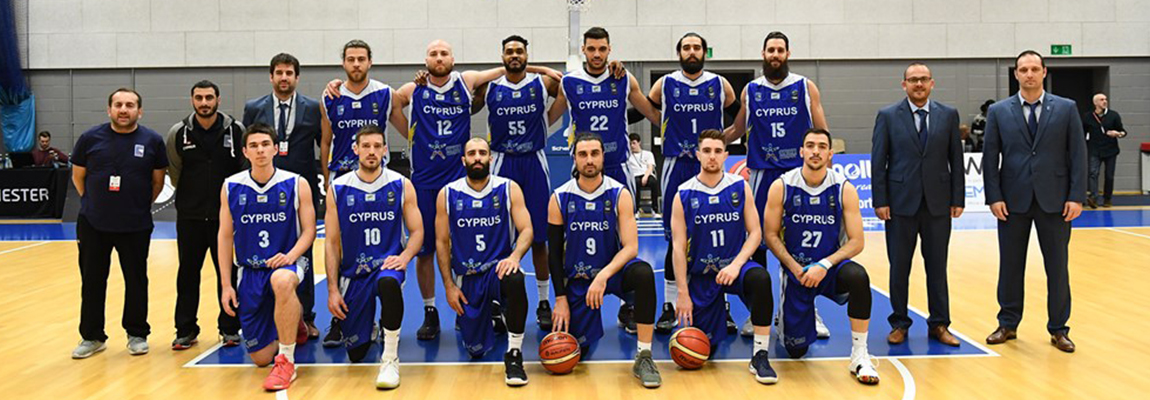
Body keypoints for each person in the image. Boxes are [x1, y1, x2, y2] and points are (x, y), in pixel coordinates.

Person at [325, 40, 557, 341]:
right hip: (424, 179)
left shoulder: (466, 81)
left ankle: (474, 301)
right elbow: (381, 98)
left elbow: (507, 69)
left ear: (452, 58)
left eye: (444, 53)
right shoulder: (412, 90)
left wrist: (537, 67)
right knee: (425, 251)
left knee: (465, 246)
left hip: (458, 180)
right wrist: (338, 85)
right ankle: (430, 310)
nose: (439, 58)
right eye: (433, 54)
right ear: (425, 61)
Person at [726, 31, 831, 339]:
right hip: (762, 175)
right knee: (757, 244)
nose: (775, 55)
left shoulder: (805, 87)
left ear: (788, 53)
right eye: (770, 50)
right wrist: (711, 142)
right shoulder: (751, 90)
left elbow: (822, 131)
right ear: (763, 54)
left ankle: (808, 310)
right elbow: (738, 128)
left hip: (797, 175)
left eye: (780, 50)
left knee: (801, 243)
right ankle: (757, 312)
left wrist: (826, 169)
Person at [982, 50, 1086, 353]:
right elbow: (990, 157)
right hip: (1012, 202)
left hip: (1055, 201)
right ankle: (1007, 323)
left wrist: (1076, 196)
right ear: (1016, 74)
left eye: (1034, 69)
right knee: (1010, 266)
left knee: (1057, 267)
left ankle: (1059, 328)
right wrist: (994, 197)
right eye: (1023, 69)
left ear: (1044, 72)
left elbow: (1078, 154)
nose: (1029, 74)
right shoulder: (999, 111)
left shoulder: (1066, 108)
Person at [764, 128, 879, 384]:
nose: (815, 151)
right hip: (796, 272)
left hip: (830, 268)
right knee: (795, 351)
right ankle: (791, 318)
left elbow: (857, 241)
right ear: (801, 151)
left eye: (822, 147)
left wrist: (824, 264)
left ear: (830, 153)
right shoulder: (782, 186)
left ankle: (860, 354)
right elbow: (770, 235)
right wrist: (794, 267)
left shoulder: (843, 188)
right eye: (810, 146)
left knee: (858, 277)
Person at [548, 133, 661, 388]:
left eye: (594, 154)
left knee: (643, 273)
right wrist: (560, 299)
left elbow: (631, 248)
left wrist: (603, 275)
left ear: (602, 156)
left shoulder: (619, 193)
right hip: (579, 280)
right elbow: (553, 255)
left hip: (612, 273)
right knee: (577, 351)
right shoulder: (559, 197)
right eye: (583, 154)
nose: (589, 160)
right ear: (574, 159)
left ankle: (644, 355)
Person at [646, 33, 739, 334]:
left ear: (704, 52)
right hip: (677, 163)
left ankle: (722, 306)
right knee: (675, 239)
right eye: (686, 47)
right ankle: (670, 305)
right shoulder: (665, 84)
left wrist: (723, 142)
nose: (691, 51)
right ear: (679, 53)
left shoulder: (720, 84)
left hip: (710, 164)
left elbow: (743, 117)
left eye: (696, 47)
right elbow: (642, 110)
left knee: (718, 236)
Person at [468, 35, 561, 331]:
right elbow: (465, 100)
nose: (514, 55)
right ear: (502, 56)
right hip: (502, 161)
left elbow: (565, 85)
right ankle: (499, 299)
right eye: (509, 52)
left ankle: (543, 301)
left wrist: (537, 71)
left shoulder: (541, 84)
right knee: (499, 235)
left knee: (539, 238)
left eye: (519, 51)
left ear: (526, 55)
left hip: (533, 161)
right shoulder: (490, 87)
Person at [670, 129, 777, 384]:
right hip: (702, 275)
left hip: (735, 269)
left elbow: (755, 233)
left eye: (718, 151)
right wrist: (682, 293)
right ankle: (714, 317)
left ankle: (760, 355)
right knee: (704, 349)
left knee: (761, 279)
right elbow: (678, 248)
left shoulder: (740, 186)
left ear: (726, 156)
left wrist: (736, 265)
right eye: (707, 151)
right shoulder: (683, 193)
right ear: (698, 155)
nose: (712, 156)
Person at [70, 88, 169, 360]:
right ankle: (92, 336)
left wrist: (135, 205)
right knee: (92, 281)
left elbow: (157, 183)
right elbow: (78, 177)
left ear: (140, 111)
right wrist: (95, 203)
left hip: (135, 224)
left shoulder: (152, 140)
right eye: (118, 105)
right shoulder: (90, 138)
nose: (123, 109)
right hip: (93, 224)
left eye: (130, 105)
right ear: (109, 109)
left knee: (136, 280)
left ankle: (137, 334)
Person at [218, 123, 317, 390]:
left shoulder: (296, 183)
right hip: (250, 270)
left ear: (276, 149)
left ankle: (286, 361)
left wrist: (290, 256)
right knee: (261, 359)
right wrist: (226, 285)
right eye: (253, 146)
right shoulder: (231, 186)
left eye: (265, 145)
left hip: (288, 263)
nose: (260, 150)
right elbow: (225, 237)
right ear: (245, 152)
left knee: (282, 281)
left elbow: (310, 231)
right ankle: (294, 322)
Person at [871, 63, 964, 347]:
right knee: (899, 268)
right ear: (904, 85)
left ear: (932, 83)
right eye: (913, 80)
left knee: (937, 267)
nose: (919, 84)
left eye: (923, 79)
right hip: (900, 205)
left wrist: (957, 198)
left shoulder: (948, 115)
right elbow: (879, 161)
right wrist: (880, 200)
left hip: (938, 204)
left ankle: (940, 324)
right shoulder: (888, 116)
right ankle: (899, 323)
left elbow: (956, 159)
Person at [324, 125, 423, 389]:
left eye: (377, 146)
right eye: (366, 146)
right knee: (356, 353)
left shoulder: (400, 184)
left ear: (385, 150)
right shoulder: (339, 188)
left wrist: (405, 257)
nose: (371, 151)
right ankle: (369, 327)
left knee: (388, 282)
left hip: (387, 266)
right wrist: (332, 289)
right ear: (355, 149)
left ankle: (390, 357)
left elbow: (417, 231)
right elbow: (331, 243)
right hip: (354, 273)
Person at [435, 138, 533, 386]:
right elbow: (441, 242)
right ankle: (492, 314)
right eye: (471, 153)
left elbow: (527, 230)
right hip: (467, 277)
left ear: (491, 158)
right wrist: (449, 286)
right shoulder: (447, 194)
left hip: (498, 270)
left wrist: (514, 257)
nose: (477, 157)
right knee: (476, 349)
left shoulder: (508, 188)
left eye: (482, 153)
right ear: (463, 160)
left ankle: (514, 353)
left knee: (515, 279)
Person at [242, 53, 325, 340]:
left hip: (300, 190)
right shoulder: (254, 108)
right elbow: (248, 147)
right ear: (271, 76)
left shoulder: (313, 108)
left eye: (289, 73)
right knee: (266, 250)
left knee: (304, 253)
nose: (284, 77)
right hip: (264, 190)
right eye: (279, 73)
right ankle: (271, 314)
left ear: (297, 77)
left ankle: (306, 317)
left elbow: (323, 145)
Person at [167, 80, 246, 350]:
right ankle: (185, 329)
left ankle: (230, 328)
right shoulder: (178, 132)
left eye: (209, 98)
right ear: (192, 100)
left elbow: (242, 169)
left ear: (218, 100)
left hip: (226, 219)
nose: (204, 103)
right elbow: (175, 172)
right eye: (199, 98)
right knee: (188, 274)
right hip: (190, 217)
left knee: (228, 273)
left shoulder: (236, 130)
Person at [547, 27, 661, 195]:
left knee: (624, 211)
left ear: (609, 49)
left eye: (602, 49)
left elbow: (651, 114)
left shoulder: (623, 78)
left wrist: (679, 129)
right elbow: (548, 120)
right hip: (585, 167)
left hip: (618, 164)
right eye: (591, 49)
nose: (597, 54)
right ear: (583, 49)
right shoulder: (569, 82)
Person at [320, 40, 406, 183]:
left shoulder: (386, 94)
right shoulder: (329, 98)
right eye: (351, 59)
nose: (356, 64)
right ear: (343, 63)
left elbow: (410, 134)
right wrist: (326, 180)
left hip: (378, 175)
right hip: (341, 175)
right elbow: (325, 143)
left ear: (370, 62)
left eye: (361, 59)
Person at [1083, 92, 1127, 208]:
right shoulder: (1088, 117)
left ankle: (1107, 199)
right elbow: (1083, 132)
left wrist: (1118, 134)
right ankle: (1093, 197)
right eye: (1102, 100)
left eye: (1105, 99)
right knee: (1093, 173)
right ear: (1095, 103)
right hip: (1094, 150)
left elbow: (1123, 131)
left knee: (1109, 176)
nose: (1105, 101)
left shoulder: (1113, 115)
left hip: (1110, 150)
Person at [626, 133, 658, 215]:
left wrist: (645, 176)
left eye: (634, 143)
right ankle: (636, 209)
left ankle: (655, 209)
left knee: (654, 182)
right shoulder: (628, 156)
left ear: (639, 143)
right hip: (635, 176)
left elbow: (650, 167)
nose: (632, 146)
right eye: (630, 144)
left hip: (647, 174)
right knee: (635, 183)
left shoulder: (648, 154)